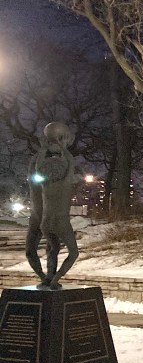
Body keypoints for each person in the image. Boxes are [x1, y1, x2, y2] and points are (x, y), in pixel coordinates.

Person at [25, 122, 81, 289]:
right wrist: (62, 147)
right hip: (43, 216)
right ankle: (50, 278)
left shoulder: (42, 175)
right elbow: (69, 168)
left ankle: (48, 277)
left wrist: (44, 149)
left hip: (43, 218)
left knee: (50, 248)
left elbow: (35, 170)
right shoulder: (59, 178)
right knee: (50, 249)